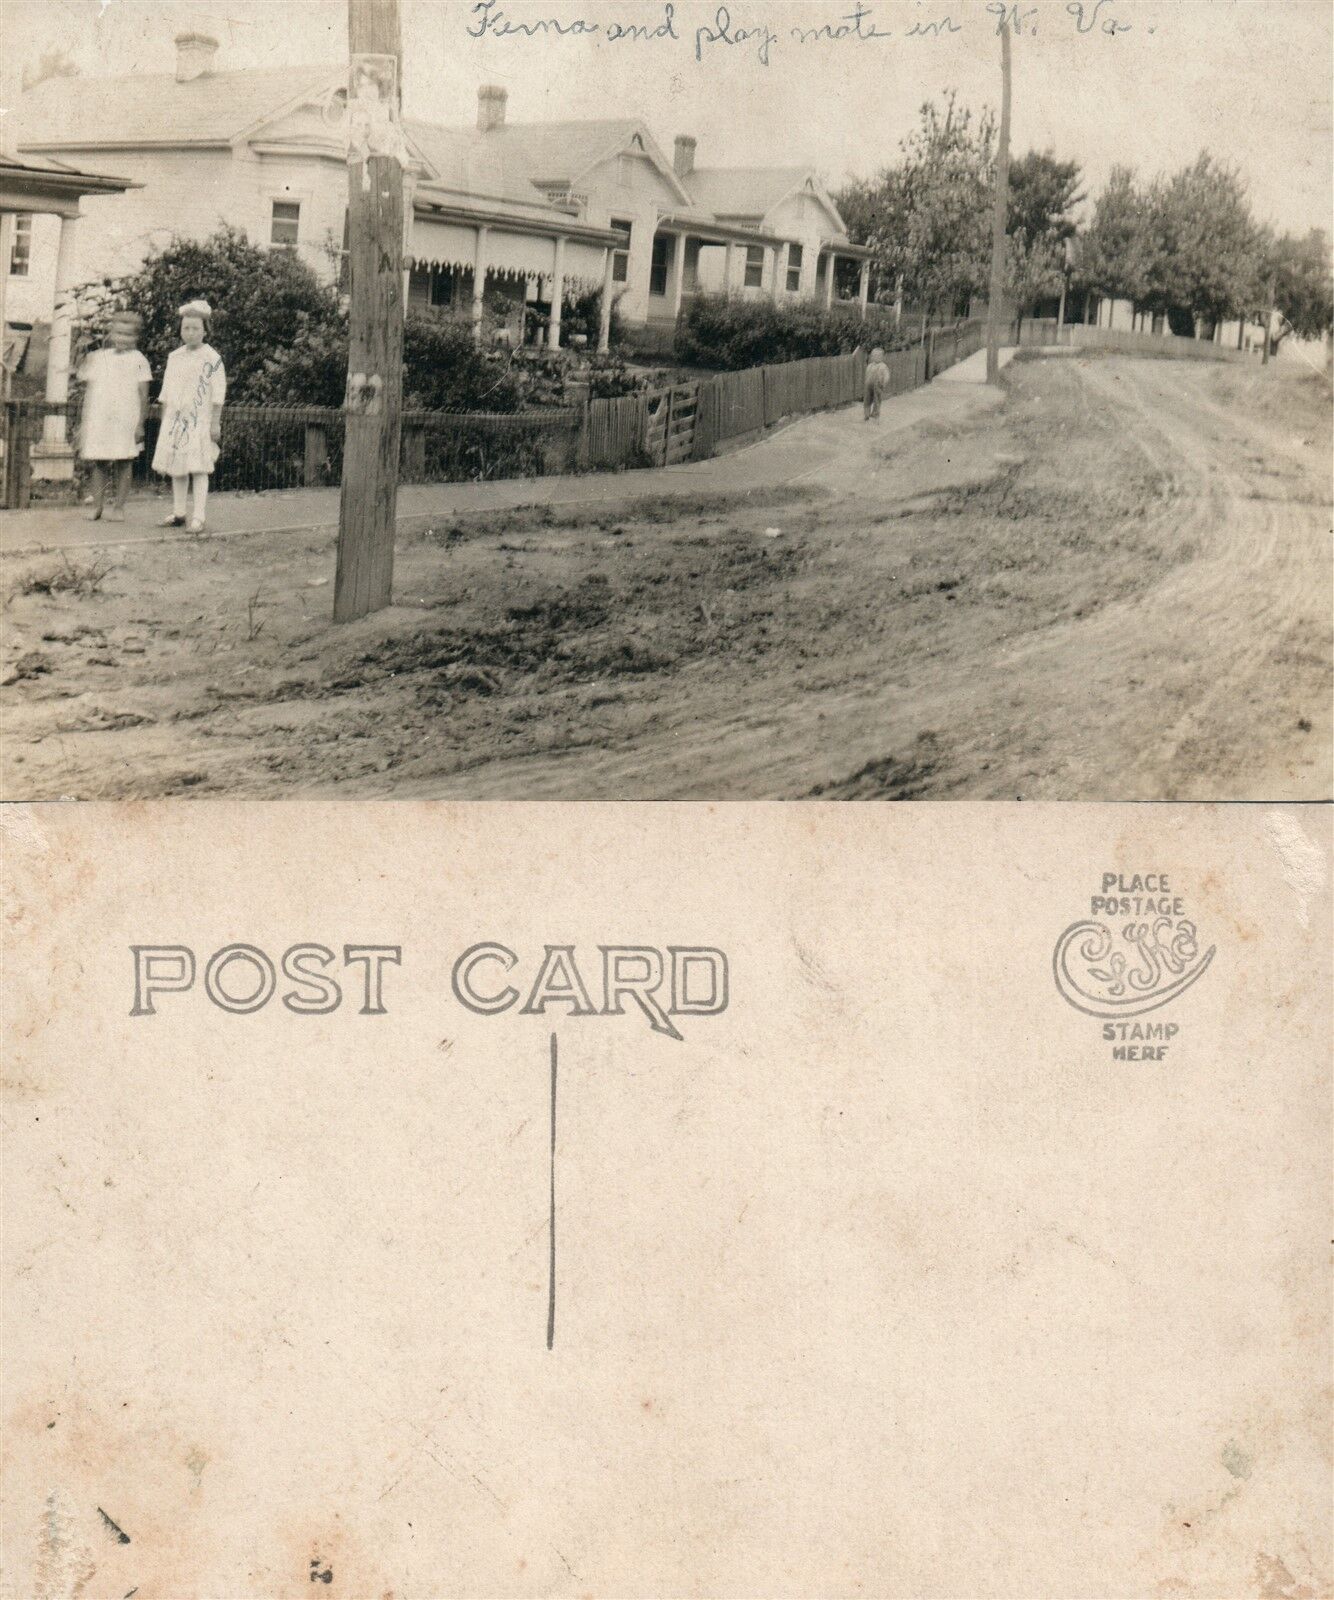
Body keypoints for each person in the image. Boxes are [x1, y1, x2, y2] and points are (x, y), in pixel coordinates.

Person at [152, 299, 226, 533]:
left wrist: (215, 422)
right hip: (176, 420)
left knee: (199, 467)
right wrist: (167, 422)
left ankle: (199, 516)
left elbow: (218, 393)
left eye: (195, 328)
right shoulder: (175, 356)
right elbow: (166, 391)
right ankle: (179, 512)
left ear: (205, 330)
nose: (190, 332)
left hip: (200, 420)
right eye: (186, 328)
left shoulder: (212, 357)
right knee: (178, 466)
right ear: (180, 330)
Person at [77, 310, 151, 522]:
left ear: (136, 337)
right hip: (101, 417)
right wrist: (87, 423)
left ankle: (119, 507)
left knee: (124, 461)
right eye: (118, 333)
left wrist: (140, 425)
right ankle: (97, 507)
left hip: (125, 418)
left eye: (128, 335)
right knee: (99, 462)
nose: (122, 339)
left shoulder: (139, 360)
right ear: (111, 334)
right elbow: (91, 390)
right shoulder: (100, 358)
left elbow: (143, 396)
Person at [863, 346, 890, 422]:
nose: (876, 357)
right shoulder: (869, 366)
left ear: (882, 357)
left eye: (878, 355)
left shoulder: (883, 366)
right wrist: (866, 382)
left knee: (877, 400)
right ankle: (866, 415)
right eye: (874, 355)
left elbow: (886, 376)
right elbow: (867, 375)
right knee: (867, 400)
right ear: (871, 356)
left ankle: (875, 416)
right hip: (868, 386)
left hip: (878, 386)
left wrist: (884, 383)